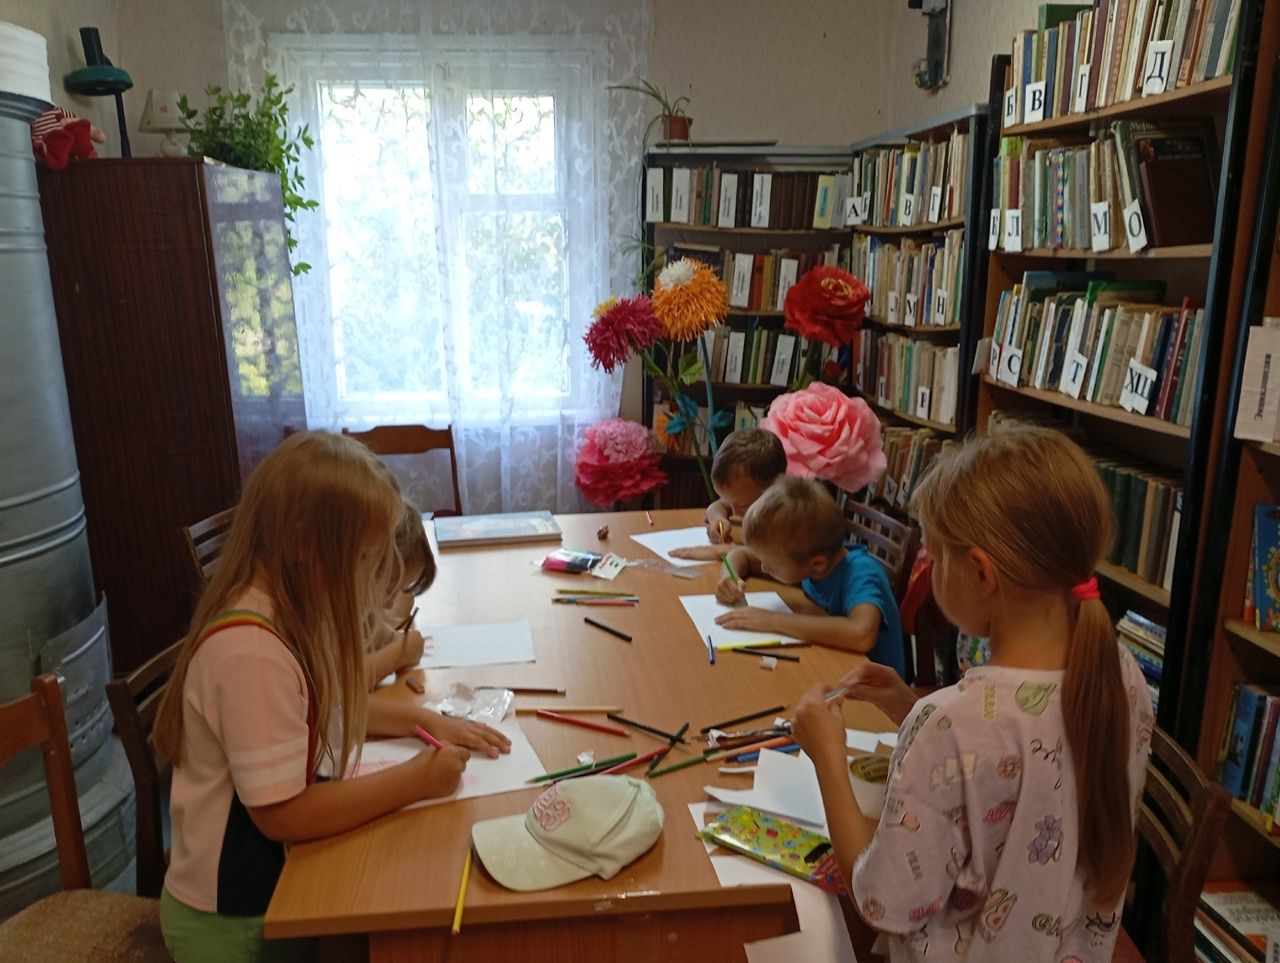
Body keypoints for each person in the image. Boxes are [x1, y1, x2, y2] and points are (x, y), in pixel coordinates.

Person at [790, 425, 1153, 962]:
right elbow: (1019, 763)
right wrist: (908, 707)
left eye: (934, 557)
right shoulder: (1118, 672)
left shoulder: (950, 723)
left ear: (980, 573)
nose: (928, 569)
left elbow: (879, 902)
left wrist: (826, 755)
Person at [151, 432, 489, 963]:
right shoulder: (253, 653)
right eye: (365, 557)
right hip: (235, 923)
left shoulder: (287, 613)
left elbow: (323, 713)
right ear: (307, 545)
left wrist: (419, 721)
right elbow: (283, 815)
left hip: (273, 889)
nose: (373, 577)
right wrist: (415, 780)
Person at [714, 476, 905, 677]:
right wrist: (729, 577)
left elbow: (861, 634)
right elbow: (740, 555)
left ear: (818, 564)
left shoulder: (862, 572)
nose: (764, 567)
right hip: (834, 664)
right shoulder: (810, 553)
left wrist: (772, 620)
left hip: (874, 686)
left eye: (772, 564)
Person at [669, 427, 787, 561]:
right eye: (731, 502)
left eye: (744, 505)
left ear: (775, 490)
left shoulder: (792, 515)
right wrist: (718, 519)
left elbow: (782, 560)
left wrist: (725, 551)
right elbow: (717, 506)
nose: (734, 512)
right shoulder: (748, 495)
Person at [365, 499, 437, 688]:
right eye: (389, 590)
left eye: (402, 588)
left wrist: (392, 635)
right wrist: (400, 653)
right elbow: (344, 687)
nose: (389, 603)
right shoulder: (324, 614)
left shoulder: (364, 603)